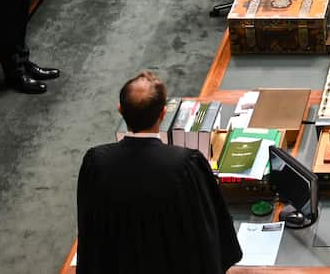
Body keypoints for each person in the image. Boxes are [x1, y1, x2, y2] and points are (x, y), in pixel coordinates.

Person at [77, 72, 242, 274]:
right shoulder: (186, 165)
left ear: (120, 110)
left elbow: (90, 229)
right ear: (163, 114)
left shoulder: (96, 162)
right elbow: (209, 230)